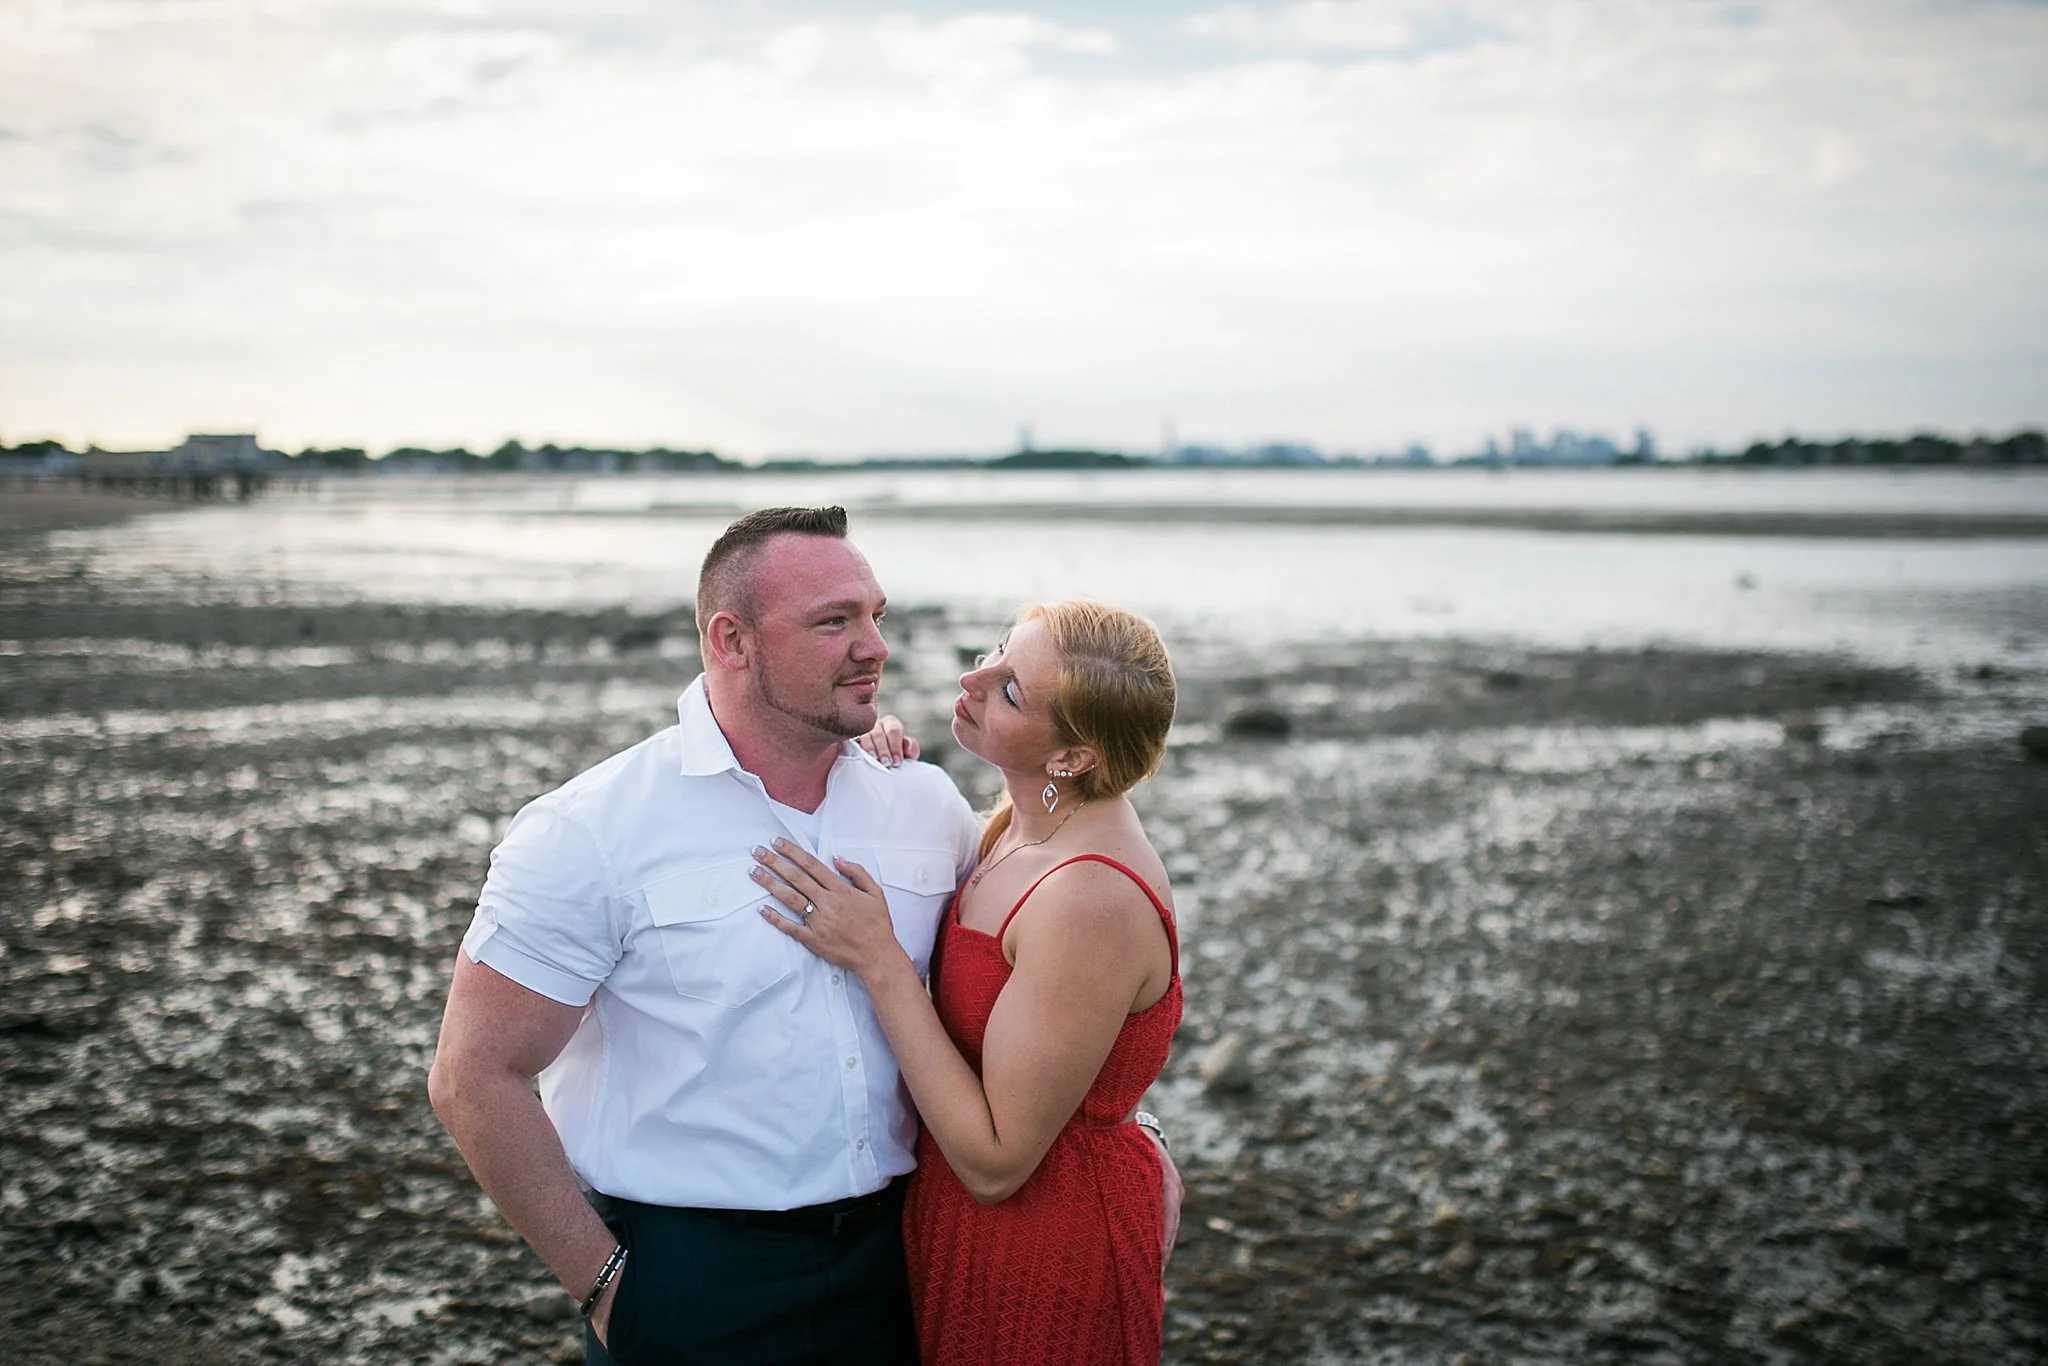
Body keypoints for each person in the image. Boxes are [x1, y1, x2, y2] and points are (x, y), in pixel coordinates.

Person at [427, 506, 982, 1365]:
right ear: (732, 641)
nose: (875, 646)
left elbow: (1020, 996)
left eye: (877, 615)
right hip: (693, 1285)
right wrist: (607, 1285)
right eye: (835, 621)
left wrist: (1128, 1137)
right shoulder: (592, 830)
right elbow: (472, 1076)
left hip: (903, 1264)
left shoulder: (926, 805)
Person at [749, 598, 1183, 1365]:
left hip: (1044, 1252)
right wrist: (864, 762)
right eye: (995, 651)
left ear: (1073, 759)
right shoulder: (1027, 818)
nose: (971, 678)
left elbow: (994, 1161)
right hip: (952, 1228)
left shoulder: (1089, 896)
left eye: (1010, 688)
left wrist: (880, 962)